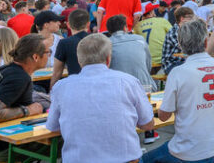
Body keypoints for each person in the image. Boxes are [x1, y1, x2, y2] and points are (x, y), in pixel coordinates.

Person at [46, 33, 154, 163]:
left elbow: (52, 126)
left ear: (80, 61)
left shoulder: (61, 87)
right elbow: (148, 124)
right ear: (108, 59)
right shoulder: (128, 82)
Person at [142, 19, 214, 163]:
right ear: (206, 42)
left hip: (191, 152)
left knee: (144, 159)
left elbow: (164, 116)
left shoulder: (178, 73)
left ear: (181, 45)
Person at [0, 34, 49, 162]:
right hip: (5, 147)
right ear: (36, 57)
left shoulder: (8, 69)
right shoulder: (18, 77)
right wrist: (28, 110)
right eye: (48, 52)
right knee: (66, 141)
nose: (50, 55)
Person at [106, 15, 154, 91]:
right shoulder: (140, 39)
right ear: (125, 27)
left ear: (109, 31)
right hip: (144, 87)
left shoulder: (106, 44)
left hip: (120, 89)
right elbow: (148, 64)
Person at [50, 9, 91, 90]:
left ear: (68, 25)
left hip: (75, 87)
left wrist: (51, 92)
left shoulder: (64, 43)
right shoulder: (99, 40)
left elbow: (57, 73)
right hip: (96, 85)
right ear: (88, 24)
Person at [133, 3, 173, 68]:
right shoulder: (162, 21)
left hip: (145, 61)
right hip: (162, 60)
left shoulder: (136, 26)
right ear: (151, 12)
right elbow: (173, 34)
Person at [161, 7, 196, 75]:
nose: (193, 20)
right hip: (171, 64)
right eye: (190, 17)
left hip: (183, 62)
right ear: (182, 19)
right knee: (193, 71)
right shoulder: (174, 32)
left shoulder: (186, 30)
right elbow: (186, 48)